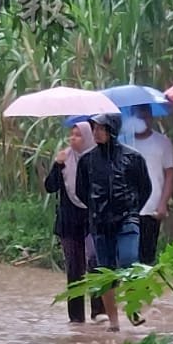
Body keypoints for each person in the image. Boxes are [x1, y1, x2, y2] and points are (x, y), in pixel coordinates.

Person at [75, 112, 151, 332]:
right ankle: (114, 322)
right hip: (100, 222)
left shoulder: (132, 157)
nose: (96, 132)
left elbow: (145, 188)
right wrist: (96, 209)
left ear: (112, 130)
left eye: (101, 128)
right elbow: (82, 191)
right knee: (106, 272)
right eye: (95, 128)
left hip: (127, 218)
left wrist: (132, 209)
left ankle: (133, 309)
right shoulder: (87, 160)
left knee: (129, 262)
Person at [44, 122, 105, 324]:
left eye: (78, 135)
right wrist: (57, 165)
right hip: (69, 222)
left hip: (92, 220)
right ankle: (76, 318)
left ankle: (99, 310)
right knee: (74, 269)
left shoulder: (98, 159)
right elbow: (50, 187)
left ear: (87, 137)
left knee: (95, 263)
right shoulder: (65, 158)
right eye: (71, 135)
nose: (72, 139)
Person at [128, 104, 173, 265]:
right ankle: (130, 288)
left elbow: (170, 174)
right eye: (139, 117)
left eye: (146, 116)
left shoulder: (162, 142)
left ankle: (144, 288)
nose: (143, 120)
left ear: (151, 118)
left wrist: (163, 203)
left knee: (147, 254)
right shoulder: (125, 142)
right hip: (127, 207)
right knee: (128, 254)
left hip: (152, 207)